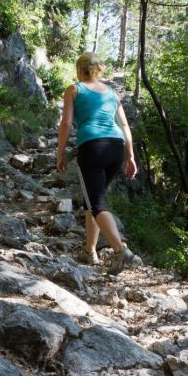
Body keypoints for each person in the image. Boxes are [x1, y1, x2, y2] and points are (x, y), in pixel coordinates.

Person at [56, 52, 138, 274]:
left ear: (79, 69)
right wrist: (130, 156)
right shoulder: (111, 93)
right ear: (98, 69)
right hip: (116, 148)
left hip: (92, 148)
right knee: (92, 200)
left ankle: (120, 251)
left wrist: (60, 152)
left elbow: (66, 123)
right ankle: (90, 251)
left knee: (97, 203)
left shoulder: (74, 90)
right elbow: (124, 126)